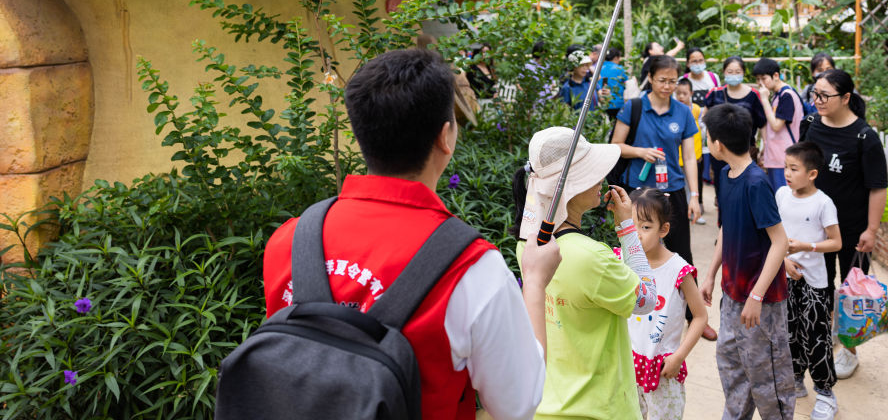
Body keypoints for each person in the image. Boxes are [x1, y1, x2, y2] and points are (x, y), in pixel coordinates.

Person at [263, 49, 562, 420]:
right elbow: (518, 404)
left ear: (360, 136)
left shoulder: (289, 241)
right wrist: (533, 282)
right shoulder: (470, 266)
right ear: (446, 136)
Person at [513, 127, 659, 420]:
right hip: (599, 410)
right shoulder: (591, 257)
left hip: (546, 405)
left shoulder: (529, 247)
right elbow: (646, 300)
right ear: (569, 189)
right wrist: (628, 230)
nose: (601, 179)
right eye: (592, 174)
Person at [699, 104, 795, 420]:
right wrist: (712, 273)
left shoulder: (756, 182)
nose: (705, 140)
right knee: (731, 363)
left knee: (767, 376)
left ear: (718, 144)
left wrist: (756, 296)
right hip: (732, 294)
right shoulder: (726, 175)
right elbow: (727, 227)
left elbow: (779, 241)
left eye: (706, 136)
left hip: (761, 302)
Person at [799, 68, 888, 380]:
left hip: (852, 230)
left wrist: (871, 230)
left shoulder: (865, 137)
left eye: (825, 96)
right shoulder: (809, 125)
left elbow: (878, 187)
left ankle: (850, 351)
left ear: (846, 98)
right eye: (815, 94)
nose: (818, 101)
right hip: (815, 228)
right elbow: (801, 169)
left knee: (853, 292)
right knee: (818, 288)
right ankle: (823, 340)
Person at [623, 188, 709, 419]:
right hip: (626, 365)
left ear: (664, 229)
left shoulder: (678, 270)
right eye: (631, 226)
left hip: (663, 370)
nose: (637, 234)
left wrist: (679, 356)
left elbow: (700, 317)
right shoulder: (621, 261)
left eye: (646, 227)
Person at [612, 55, 700, 274]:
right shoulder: (633, 108)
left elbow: (689, 158)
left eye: (673, 81)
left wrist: (695, 196)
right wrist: (640, 152)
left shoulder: (683, 112)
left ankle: (687, 308)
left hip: (673, 190)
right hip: (639, 193)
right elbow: (616, 145)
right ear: (650, 77)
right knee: (636, 252)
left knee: (680, 255)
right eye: (662, 80)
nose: (667, 86)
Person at [776, 142, 842, 420]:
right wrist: (784, 260)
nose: (787, 174)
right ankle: (795, 380)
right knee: (788, 332)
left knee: (816, 337)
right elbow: (776, 233)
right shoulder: (781, 194)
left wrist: (806, 246)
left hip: (814, 282)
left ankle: (826, 393)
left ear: (812, 174)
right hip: (785, 276)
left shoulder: (823, 203)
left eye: (794, 169)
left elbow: (836, 242)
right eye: (786, 167)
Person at [753, 57, 805, 192]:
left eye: (763, 79)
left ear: (776, 75)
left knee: (783, 198)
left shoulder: (786, 95)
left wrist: (764, 99)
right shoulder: (777, 95)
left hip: (785, 158)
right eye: (757, 80)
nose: (760, 84)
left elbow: (776, 125)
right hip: (777, 157)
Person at [674, 78, 707, 226]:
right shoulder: (673, 109)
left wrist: (699, 154)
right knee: (679, 187)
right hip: (677, 157)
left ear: (691, 93)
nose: (681, 96)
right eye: (678, 93)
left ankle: (694, 213)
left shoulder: (697, 110)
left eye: (684, 93)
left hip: (693, 156)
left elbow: (699, 134)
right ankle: (680, 213)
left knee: (692, 187)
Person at [599, 47, 631, 120]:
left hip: (603, 102)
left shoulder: (600, 68)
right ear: (616, 58)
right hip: (617, 103)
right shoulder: (620, 69)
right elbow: (626, 83)